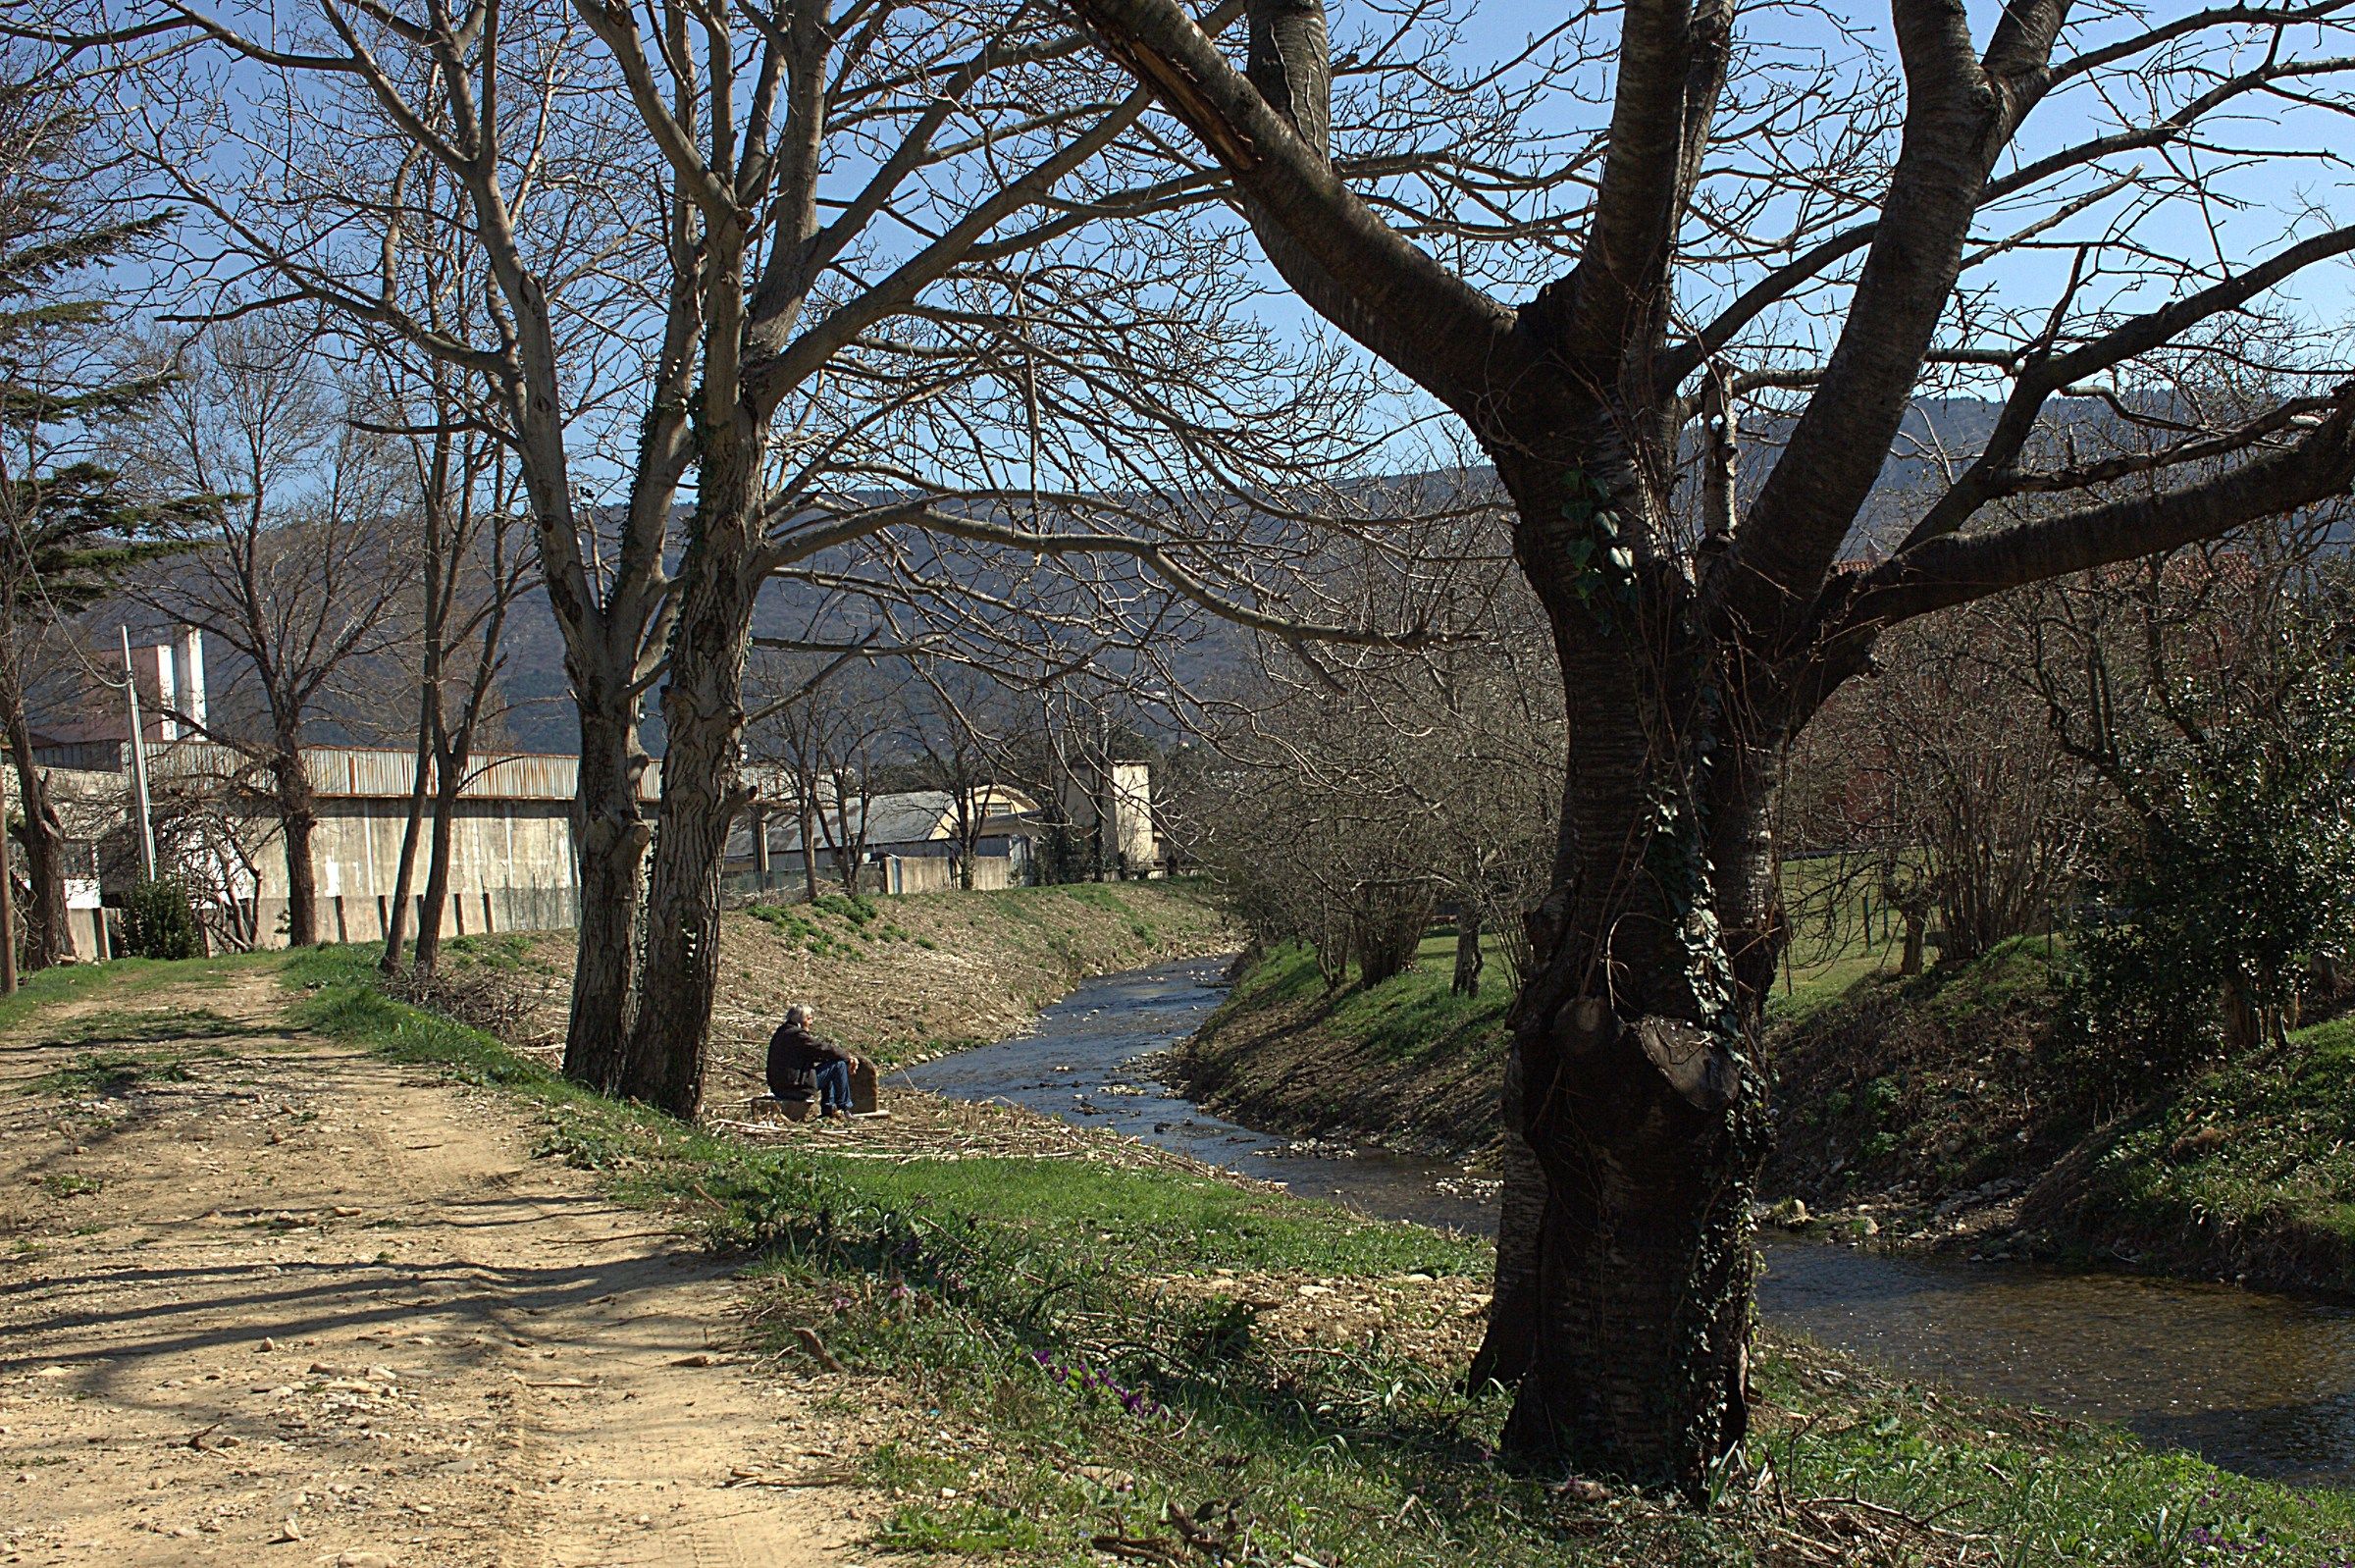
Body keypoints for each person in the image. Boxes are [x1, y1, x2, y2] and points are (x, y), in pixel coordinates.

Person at [766, 1004, 862, 1118]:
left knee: (831, 1064)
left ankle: (828, 1109)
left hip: (781, 1088)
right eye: (809, 1019)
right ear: (800, 1019)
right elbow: (822, 1048)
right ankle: (845, 1108)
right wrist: (847, 1058)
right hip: (794, 1089)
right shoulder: (797, 1035)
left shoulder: (782, 1033)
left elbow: (817, 1052)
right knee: (838, 1065)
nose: (811, 1023)